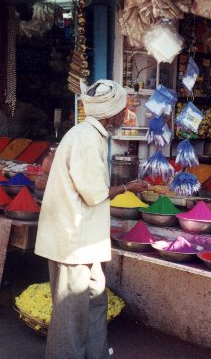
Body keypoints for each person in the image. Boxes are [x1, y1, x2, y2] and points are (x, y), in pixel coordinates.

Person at [34, 79, 148, 359]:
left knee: (96, 300)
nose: (125, 116)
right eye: (123, 111)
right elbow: (94, 193)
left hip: (84, 240)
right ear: (110, 114)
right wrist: (128, 187)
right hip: (74, 241)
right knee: (71, 314)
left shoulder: (87, 134)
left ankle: (95, 354)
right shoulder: (86, 138)